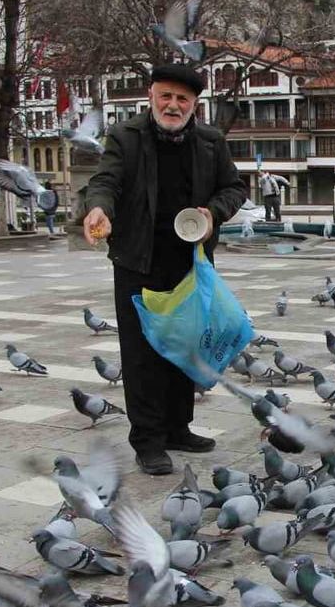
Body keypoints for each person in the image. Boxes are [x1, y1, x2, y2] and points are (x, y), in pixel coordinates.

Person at [82, 63, 249, 475]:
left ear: (194, 104)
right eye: (166, 96)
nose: (173, 105)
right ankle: (148, 440)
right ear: (152, 95)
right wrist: (98, 208)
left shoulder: (211, 142)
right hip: (138, 260)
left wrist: (213, 213)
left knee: (185, 346)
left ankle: (178, 428)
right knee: (141, 354)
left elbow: (235, 188)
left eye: (183, 99)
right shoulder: (126, 137)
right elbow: (106, 181)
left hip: (189, 262)